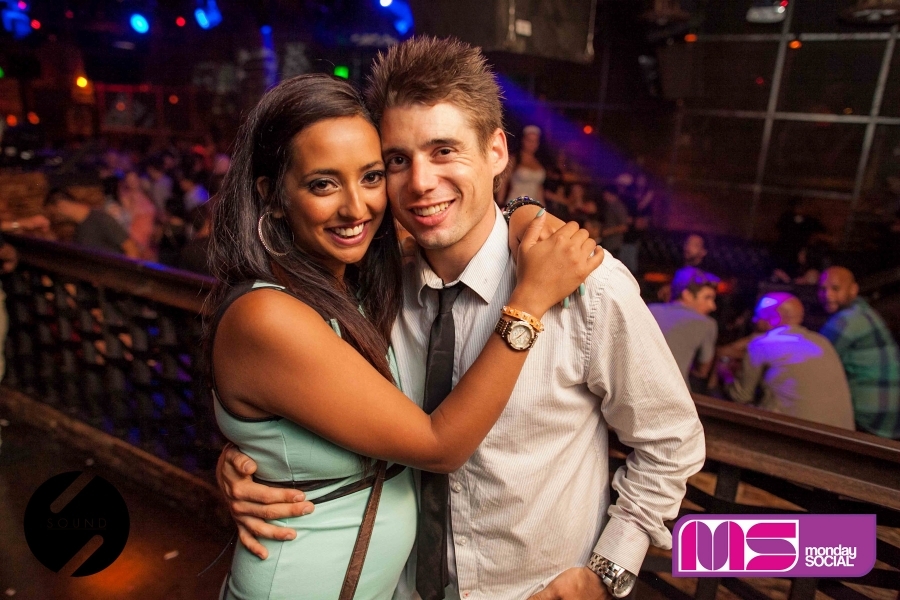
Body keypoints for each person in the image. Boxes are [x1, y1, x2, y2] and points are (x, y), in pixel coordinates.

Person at [219, 36, 705, 600]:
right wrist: (254, 462)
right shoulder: (379, 286)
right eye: (397, 161)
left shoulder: (585, 285)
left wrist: (605, 573)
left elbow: (671, 441)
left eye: (444, 150)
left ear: (496, 151)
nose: (421, 182)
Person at [719, 292, 855, 429]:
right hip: (841, 433)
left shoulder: (762, 344)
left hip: (795, 435)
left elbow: (740, 396)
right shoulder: (823, 342)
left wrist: (726, 374)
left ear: (773, 318)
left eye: (758, 315)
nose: (754, 320)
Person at [818, 267, 900, 439]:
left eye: (835, 288)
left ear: (853, 289)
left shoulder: (845, 320)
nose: (827, 295)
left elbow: (814, 362)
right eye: (823, 289)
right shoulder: (866, 313)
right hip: (890, 420)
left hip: (868, 420)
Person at [648, 267, 719, 386]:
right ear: (687, 295)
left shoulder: (649, 310)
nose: (712, 306)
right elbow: (702, 371)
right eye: (707, 298)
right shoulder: (707, 324)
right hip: (674, 392)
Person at [43, 188, 140, 258]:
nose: (55, 219)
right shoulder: (79, 229)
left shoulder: (100, 219)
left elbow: (131, 249)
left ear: (61, 206)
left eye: (53, 214)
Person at [499, 125, 546, 206]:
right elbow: (504, 183)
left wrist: (543, 208)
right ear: (523, 140)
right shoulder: (515, 159)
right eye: (529, 140)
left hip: (534, 207)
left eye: (535, 141)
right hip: (516, 204)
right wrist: (500, 203)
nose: (532, 144)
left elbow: (539, 189)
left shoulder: (539, 162)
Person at [600, 185, 629, 258]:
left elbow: (624, 227)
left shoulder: (618, 207)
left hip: (614, 244)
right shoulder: (609, 206)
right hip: (607, 243)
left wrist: (607, 232)